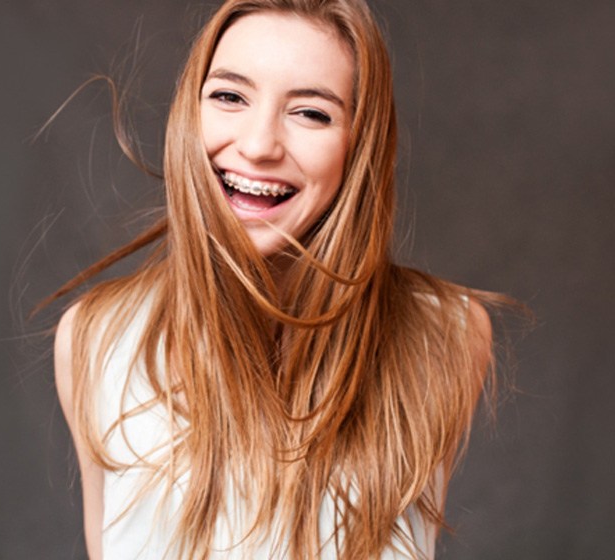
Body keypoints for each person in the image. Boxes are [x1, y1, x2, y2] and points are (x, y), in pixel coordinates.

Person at [53, 0, 495, 558]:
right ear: (188, 114)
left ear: (359, 144)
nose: (260, 145)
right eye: (230, 96)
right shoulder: (94, 340)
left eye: (311, 113)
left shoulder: (448, 335)